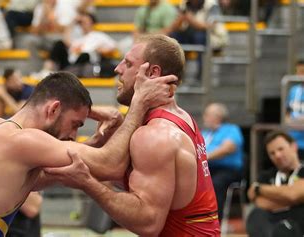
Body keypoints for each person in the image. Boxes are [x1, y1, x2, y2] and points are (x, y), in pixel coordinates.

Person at [0, 70, 177, 235]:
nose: (73, 136)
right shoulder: (22, 141)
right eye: (75, 125)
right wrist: (138, 105)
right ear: (52, 109)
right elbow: (110, 165)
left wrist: (96, 139)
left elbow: (40, 177)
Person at [44, 34, 220, 236]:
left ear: (152, 73)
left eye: (127, 63)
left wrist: (87, 183)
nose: (117, 69)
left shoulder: (155, 135)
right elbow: (138, 177)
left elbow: (148, 222)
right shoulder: (180, 118)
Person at [246, 130, 304, 237]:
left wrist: (259, 188)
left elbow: (293, 194)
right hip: (271, 226)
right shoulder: (266, 175)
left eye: (281, 149)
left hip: (297, 225)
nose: (277, 155)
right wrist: (294, 200)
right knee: (256, 214)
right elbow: (258, 200)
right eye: (272, 153)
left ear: (293, 147)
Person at [202, 102, 244, 220]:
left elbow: (228, 148)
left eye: (207, 114)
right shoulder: (206, 133)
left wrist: (206, 156)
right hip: (207, 168)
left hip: (228, 170)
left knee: (215, 183)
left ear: (218, 116)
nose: (204, 117)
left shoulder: (231, 129)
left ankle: (214, 221)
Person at [285, 59, 304, 159]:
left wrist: (295, 121)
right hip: (293, 141)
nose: (300, 75)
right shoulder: (293, 90)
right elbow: (286, 113)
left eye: (302, 72)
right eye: (298, 72)